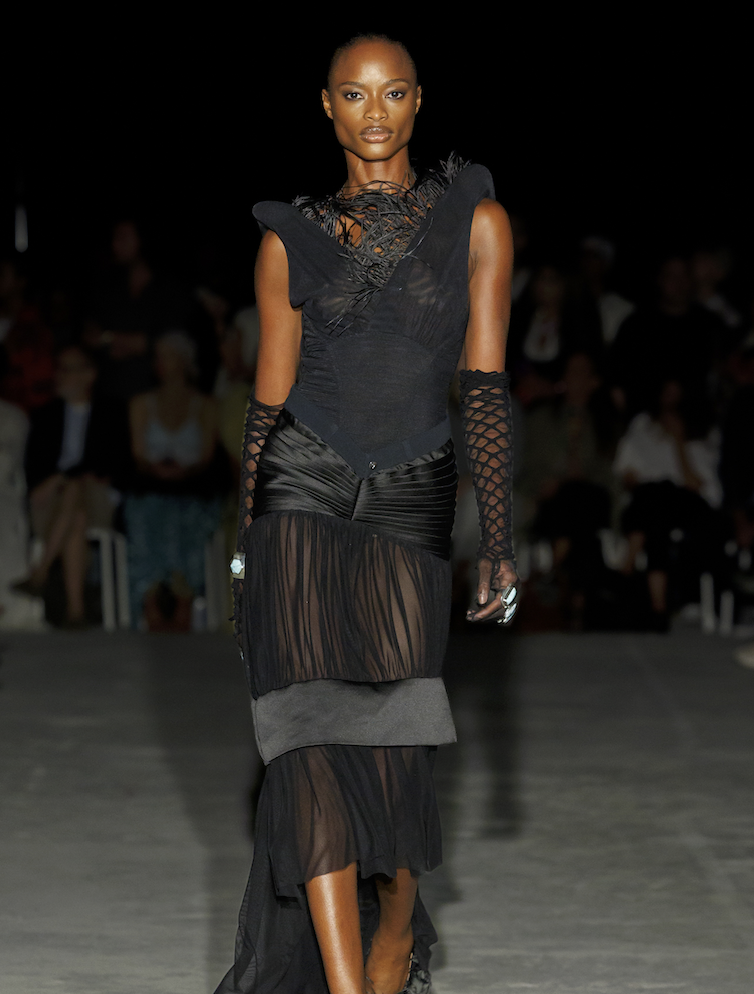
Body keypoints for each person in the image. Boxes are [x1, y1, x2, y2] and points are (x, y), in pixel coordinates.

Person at [214, 35, 517, 994]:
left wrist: (499, 540)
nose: (374, 111)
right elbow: (268, 399)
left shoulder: (478, 221)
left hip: (412, 493)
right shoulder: (287, 237)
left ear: (419, 102)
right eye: (354, 93)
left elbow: (483, 385)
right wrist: (243, 548)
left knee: (390, 751)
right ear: (328, 107)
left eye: (392, 93)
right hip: (299, 489)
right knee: (305, 739)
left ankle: (398, 929)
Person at [14, 344, 129, 627]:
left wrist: (65, 477)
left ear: (89, 374)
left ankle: (40, 572)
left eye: (69, 369)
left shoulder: (111, 411)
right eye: (60, 368)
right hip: (52, 501)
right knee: (75, 515)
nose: (60, 375)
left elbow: (114, 461)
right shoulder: (45, 416)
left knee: (76, 492)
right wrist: (63, 480)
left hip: (97, 497)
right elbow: (34, 469)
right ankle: (76, 612)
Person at [124, 330, 223, 630]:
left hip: (192, 486)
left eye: (166, 356)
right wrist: (157, 470)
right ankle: (151, 601)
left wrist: (184, 471)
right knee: (146, 511)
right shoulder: (141, 403)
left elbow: (206, 456)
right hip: (152, 484)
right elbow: (138, 455)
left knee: (186, 516)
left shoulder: (205, 405)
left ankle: (184, 601)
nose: (159, 363)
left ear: (183, 362)